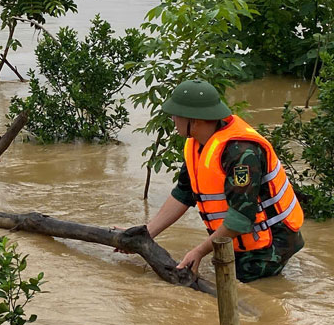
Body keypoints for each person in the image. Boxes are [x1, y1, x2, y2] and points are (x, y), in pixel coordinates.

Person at [124, 79, 305, 283]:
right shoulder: (198, 145)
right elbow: (183, 194)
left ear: (196, 119)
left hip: (270, 244)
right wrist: (145, 234)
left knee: (245, 293)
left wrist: (199, 251)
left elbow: (240, 219)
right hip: (240, 239)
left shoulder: (241, 154)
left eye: (176, 115)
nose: (173, 119)